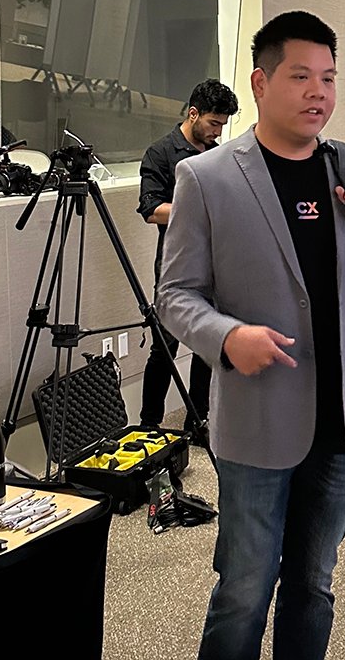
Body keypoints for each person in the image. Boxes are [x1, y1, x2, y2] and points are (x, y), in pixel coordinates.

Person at [158, 11, 345, 660]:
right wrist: (226, 336)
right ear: (260, 81)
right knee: (246, 586)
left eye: (328, 77)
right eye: (301, 75)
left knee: (315, 582)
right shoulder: (207, 177)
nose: (318, 92)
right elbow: (174, 294)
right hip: (257, 421)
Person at [136, 79, 239, 435]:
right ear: (193, 113)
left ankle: (199, 421)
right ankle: (149, 424)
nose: (216, 132)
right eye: (213, 123)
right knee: (163, 348)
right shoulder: (160, 153)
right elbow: (150, 210)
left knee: (205, 347)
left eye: (222, 126)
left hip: (216, 262)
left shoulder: (216, 153)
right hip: (176, 265)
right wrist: (196, 207)